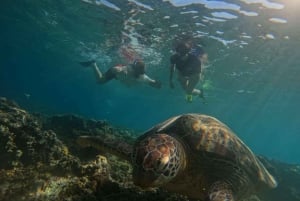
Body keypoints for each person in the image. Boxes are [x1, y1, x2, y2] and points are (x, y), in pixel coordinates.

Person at [80, 60, 162, 89]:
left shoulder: (143, 77)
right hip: (115, 72)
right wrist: (119, 71)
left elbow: (151, 81)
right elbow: (117, 69)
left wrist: (156, 84)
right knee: (100, 81)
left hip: (118, 75)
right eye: (139, 71)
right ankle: (93, 64)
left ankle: (93, 64)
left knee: (100, 82)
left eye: (142, 72)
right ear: (135, 68)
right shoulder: (128, 69)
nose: (140, 73)